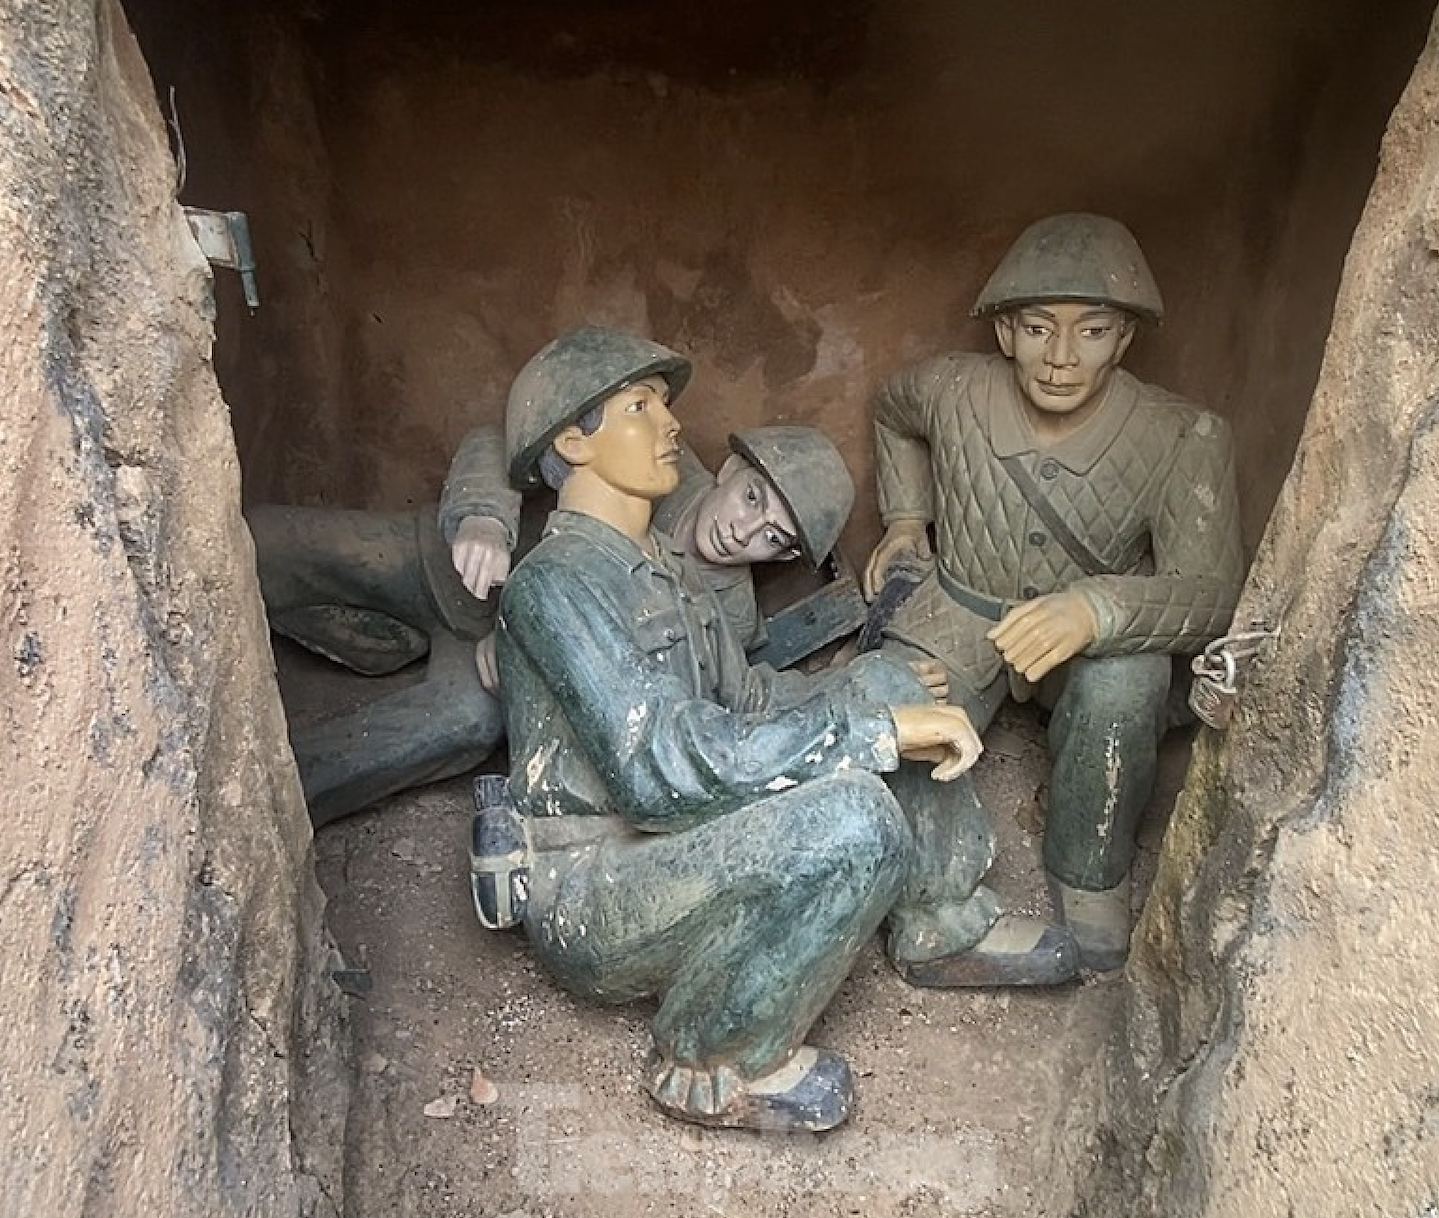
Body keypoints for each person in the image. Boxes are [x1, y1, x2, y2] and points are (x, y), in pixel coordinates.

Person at [486, 324, 1077, 1133]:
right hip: (597, 884)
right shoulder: (554, 586)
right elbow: (659, 768)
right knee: (852, 819)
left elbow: (747, 700)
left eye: (664, 407)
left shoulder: (665, 568)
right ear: (572, 441)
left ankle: (940, 924)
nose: (669, 426)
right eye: (640, 406)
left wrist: (866, 692)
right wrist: (867, 735)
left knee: (885, 678)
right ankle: (711, 1053)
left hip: (668, 845)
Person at [862, 213, 1245, 971]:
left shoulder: (1181, 437)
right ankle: (930, 905)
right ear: (1005, 333)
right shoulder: (953, 390)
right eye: (1038, 329)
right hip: (960, 610)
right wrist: (907, 520)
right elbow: (890, 411)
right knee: (894, 697)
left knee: (1127, 682)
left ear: (1125, 339)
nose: (1062, 358)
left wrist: (1097, 611)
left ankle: (1090, 870)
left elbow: (1215, 593)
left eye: (1093, 332)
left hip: (1087, 644)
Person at [249, 406, 855, 827]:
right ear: (729, 469)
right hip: (444, 572)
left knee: (459, 723)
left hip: (494, 668)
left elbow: (655, 707)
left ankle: (272, 797)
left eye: (773, 539)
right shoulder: (653, 457)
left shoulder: (730, 614)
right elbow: (499, 440)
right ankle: (376, 636)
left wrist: (520, 648)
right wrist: (484, 518)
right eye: (751, 498)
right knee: (268, 546)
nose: (742, 532)